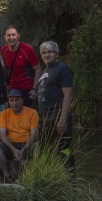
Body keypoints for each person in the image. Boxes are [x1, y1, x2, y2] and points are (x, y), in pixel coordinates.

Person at [37, 41, 74, 170]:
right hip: (45, 119)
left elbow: (68, 95)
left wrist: (62, 119)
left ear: (57, 54)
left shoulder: (63, 69)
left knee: (64, 152)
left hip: (58, 118)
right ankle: (52, 185)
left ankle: (71, 184)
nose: (47, 54)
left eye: (50, 52)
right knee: (46, 153)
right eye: (44, 52)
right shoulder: (46, 70)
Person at [0, 89, 39, 182]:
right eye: (11, 100)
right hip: (10, 145)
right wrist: (13, 150)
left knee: (37, 146)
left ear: (22, 100)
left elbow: (34, 135)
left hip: (27, 144)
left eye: (17, 100)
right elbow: (2, 136)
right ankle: (7, 176)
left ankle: (33, 175)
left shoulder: (32, 113)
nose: (14, 103)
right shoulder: (3, 114)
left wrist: (23, 149)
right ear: (8, 102)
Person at [1, 25, 42, 107]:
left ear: (18, 36)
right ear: (5, 37)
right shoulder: (4, 50)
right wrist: (6, 87)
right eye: (8, 35)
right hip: (12, 90)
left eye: (13, 35)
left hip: (27, 90)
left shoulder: (27, 49)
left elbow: (38, 70)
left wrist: (34, 89)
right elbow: (6, 69)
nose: (11, 38)